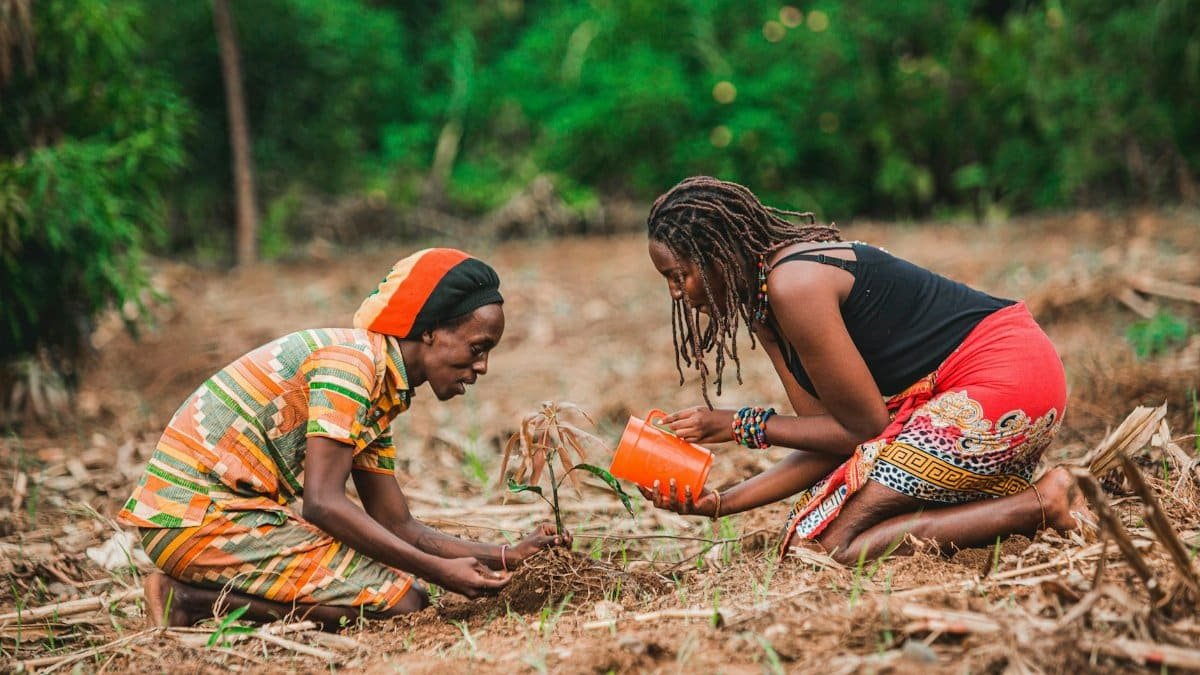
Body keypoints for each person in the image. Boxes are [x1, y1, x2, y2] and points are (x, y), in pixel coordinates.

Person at [640, 176, 1090, 564]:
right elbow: (831, 440)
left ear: (717, 254)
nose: (676, 293)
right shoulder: (764, 305)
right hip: (985, 388)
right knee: (812, 536)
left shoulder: (793, 284)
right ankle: (1023, 502)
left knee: (827, 545)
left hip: (1005, 379)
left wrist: (740, 425)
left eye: (679, 275)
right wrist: (719, 502)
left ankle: (1043, 503)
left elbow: (862, 429)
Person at [118, 248, 570, 629]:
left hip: (205, 515)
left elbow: (397, 524)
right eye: (477, 348)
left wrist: (507, 554)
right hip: (197, 517)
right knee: (404, 601)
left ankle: (195, 597)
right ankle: (191, 602)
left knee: (400, 583)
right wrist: (439, 571)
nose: (483, 367)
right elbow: (321, 502)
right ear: (429, 331)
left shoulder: (381, 386)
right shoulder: (352, 367)